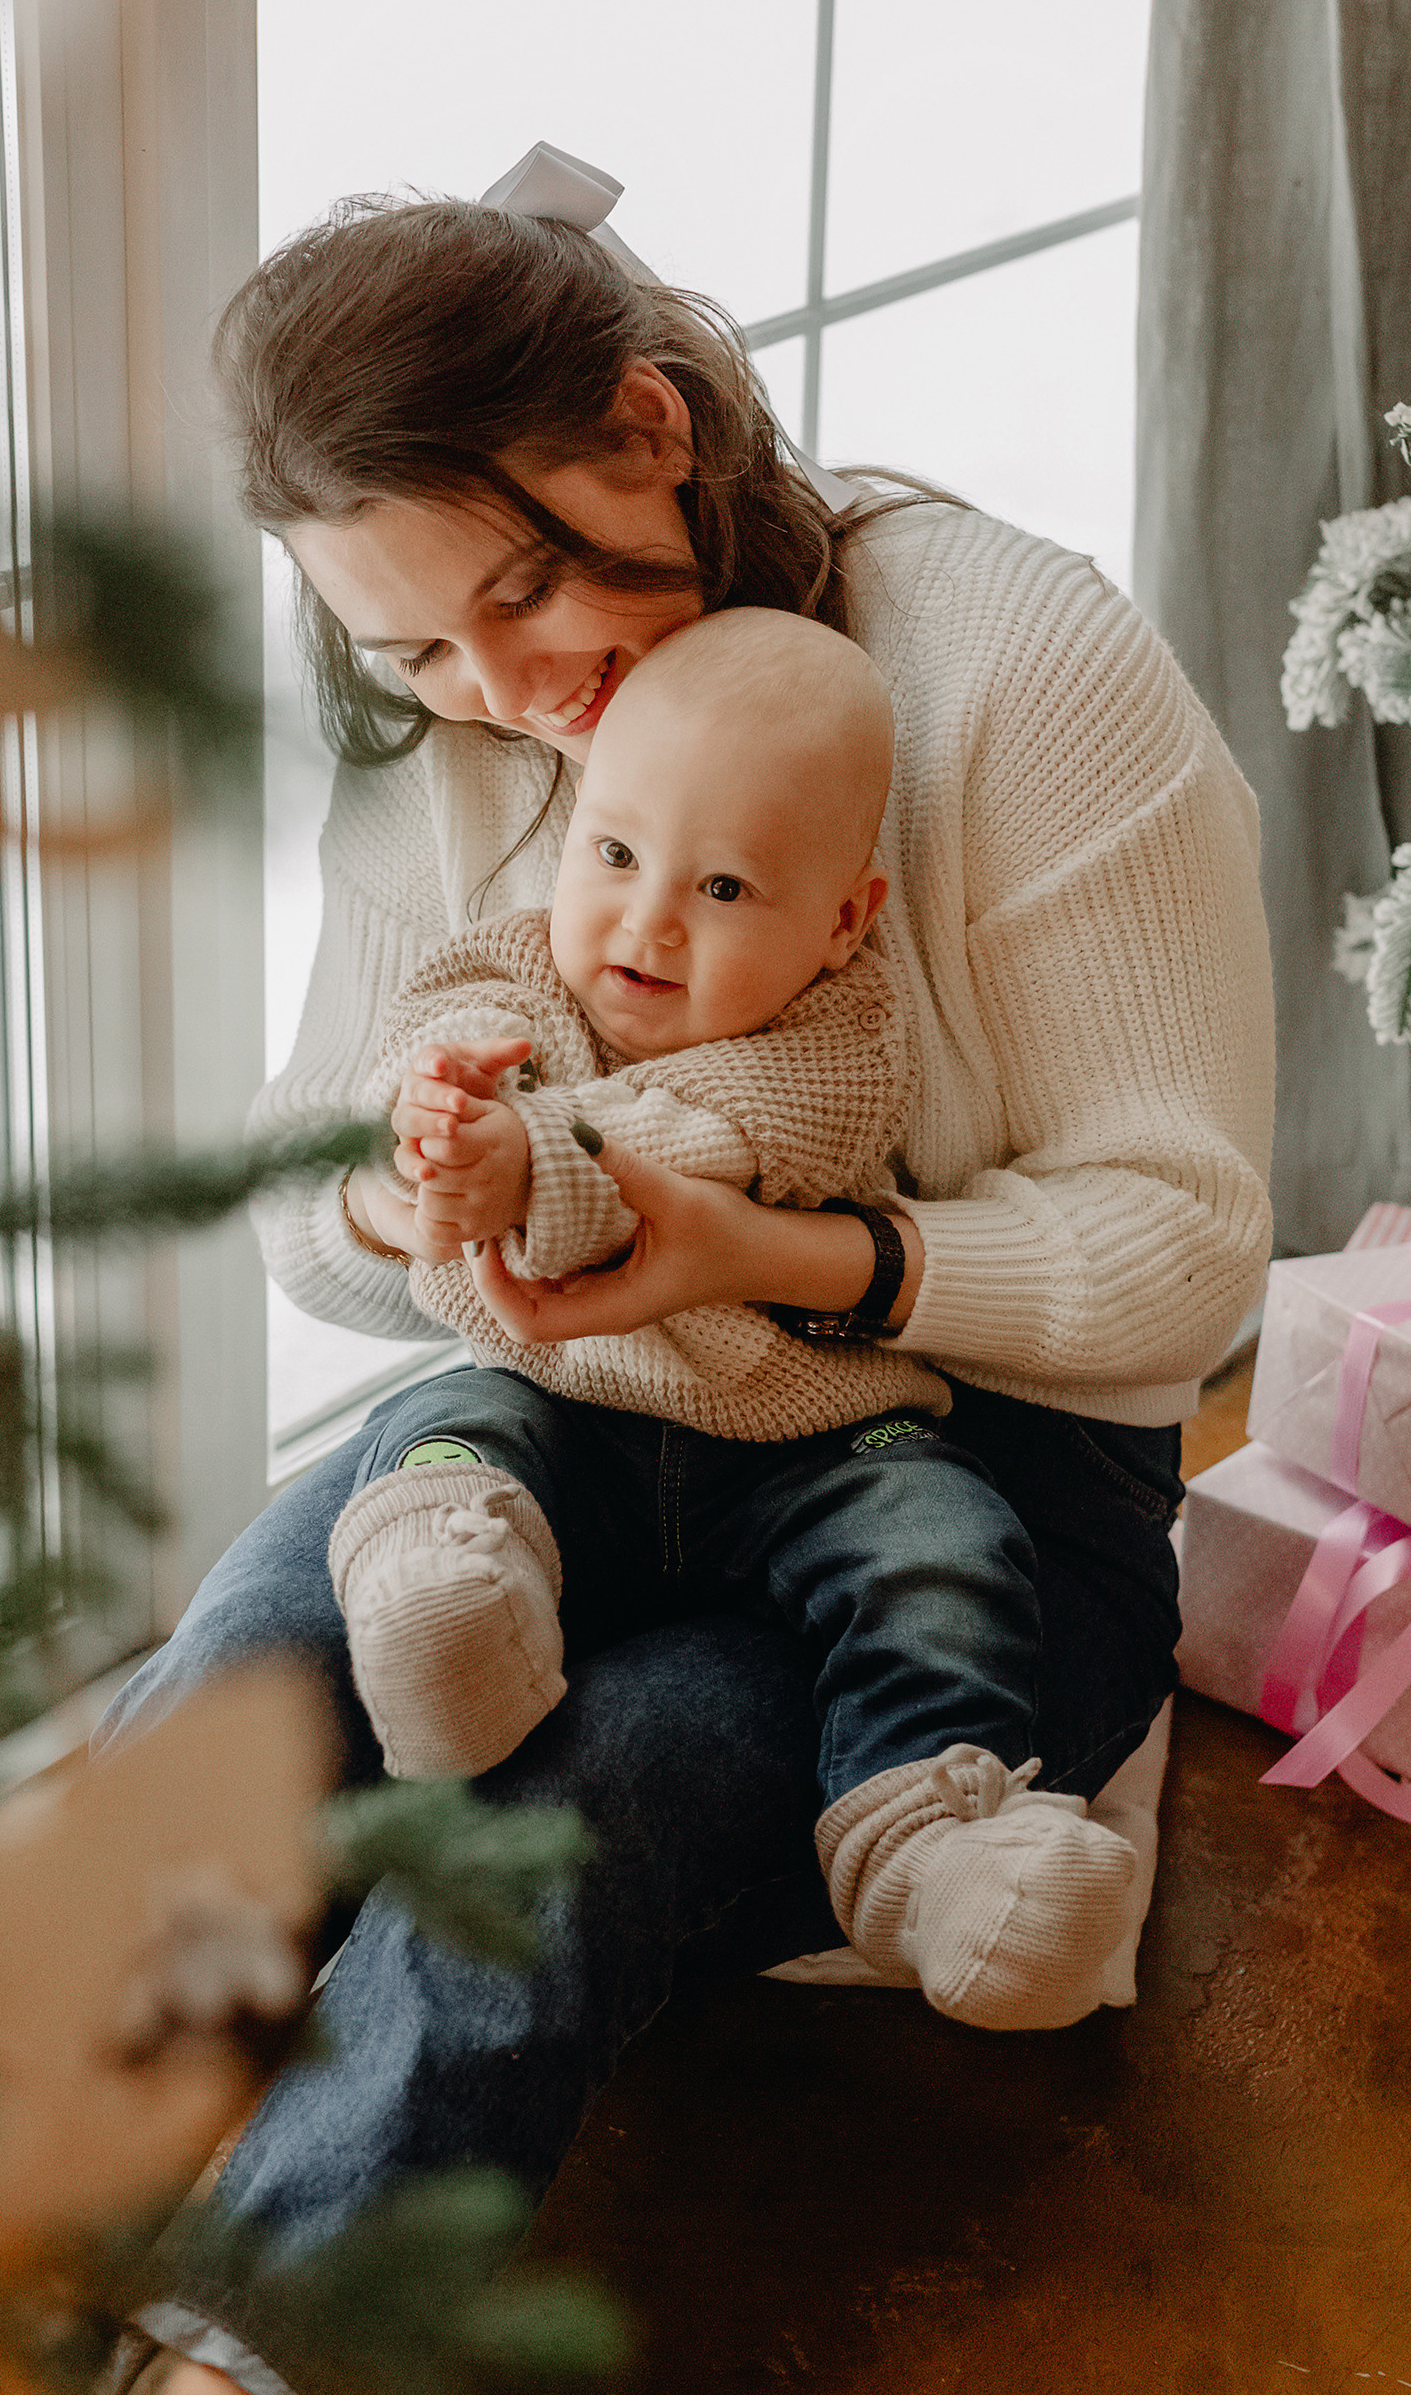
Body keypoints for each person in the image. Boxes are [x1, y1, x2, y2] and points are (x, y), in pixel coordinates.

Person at [0, 182, 1274, 2395]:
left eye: (527, 587)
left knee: (538, 1843)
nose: (509, 692)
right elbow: (308, 1211)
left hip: (953, 1489)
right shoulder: (451, 718)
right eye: (418, 653)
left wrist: (774, 1245)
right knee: (245, 1712)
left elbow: (1185, 1255)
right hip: (565, 1416)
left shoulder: (1013, 664)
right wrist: (423, 1184)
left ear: (646, 427)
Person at [334, 602, 1142, 2033]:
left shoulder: (838, 1039)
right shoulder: (514, 973)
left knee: (943, 1545)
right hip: (564, 1404)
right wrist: (433, 1126)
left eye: (723, 890)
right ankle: (451, 1609)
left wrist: (529, 1163)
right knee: (438, 1430)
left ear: (842, 918)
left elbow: (697, 1144)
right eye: (620, 854)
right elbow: (422, 1043)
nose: (646, 922)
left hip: (800, 1438)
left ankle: (927, 1839)